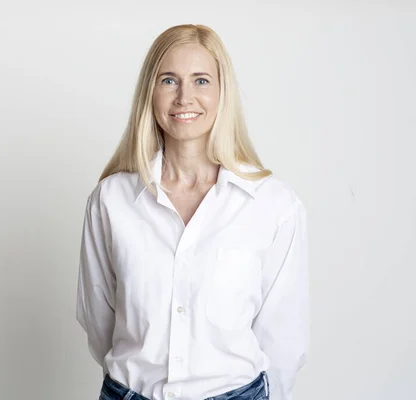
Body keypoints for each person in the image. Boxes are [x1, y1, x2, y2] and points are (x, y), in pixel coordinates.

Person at [75, 24, 309, 400]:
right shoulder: (110, 200)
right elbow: (98, 319)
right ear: (149, 93)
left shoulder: (273, 204)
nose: (185, 97)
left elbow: (284, 338)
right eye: (169, 80)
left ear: (222, 93)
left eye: (201, 80)